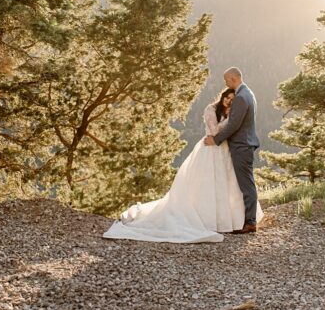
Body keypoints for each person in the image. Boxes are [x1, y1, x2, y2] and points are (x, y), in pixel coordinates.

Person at [103, 86, 263, 243]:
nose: (228, 101)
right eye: (227, 97)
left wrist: (231, 119)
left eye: (232, 100)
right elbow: (214, 132)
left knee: (228, 183)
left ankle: (232, 219)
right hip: (210, 149)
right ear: (222, 96)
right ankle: (209, 219)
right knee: (207, 184)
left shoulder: (232, 112)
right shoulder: (211, 109)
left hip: (225, 149)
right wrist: (230, 120)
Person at [205, 66, 261, 234]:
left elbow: (233, 125)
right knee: (245, 182)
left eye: (226, 80)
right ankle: (246, 219)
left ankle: (250, 222)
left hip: (241, 145)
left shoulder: (241, 97)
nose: (226, 83)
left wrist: (215, 140)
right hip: (245, 144)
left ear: (233, 79)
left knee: (246, 184)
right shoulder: (248, 93)